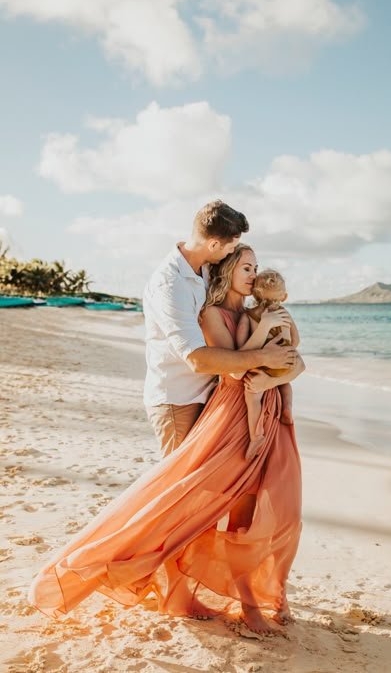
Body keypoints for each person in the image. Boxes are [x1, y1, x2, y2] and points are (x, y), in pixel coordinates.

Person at [29, 244, 304, 636]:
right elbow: (231, 369)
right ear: (227, 270)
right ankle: (218, 598)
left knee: (276, 508)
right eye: (246, 267)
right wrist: (266, 364)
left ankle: (265, 594)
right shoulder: (212, 313)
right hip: (230, 412)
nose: (254, 274)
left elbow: (292, 359)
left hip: (263, 413)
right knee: (188, 503)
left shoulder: (251, 312)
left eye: (256, 268)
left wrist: (276, 375)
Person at [143, 200, 296, 458]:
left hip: (211, 394)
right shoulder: (170, 286)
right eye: (231, 248)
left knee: (205, 484)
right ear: (213, 244)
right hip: (178, 398)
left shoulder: (207, 268)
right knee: (179, 484)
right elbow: (196, 359)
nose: (230, 254)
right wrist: (263, 357)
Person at [234, 269, 299, 461]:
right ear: (284, 296)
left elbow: (242, 348)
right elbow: (296, 340)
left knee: (253, 399)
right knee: (285, 384)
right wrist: (286, 349)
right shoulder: (285, 313)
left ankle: (256, 436)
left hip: (262, 363)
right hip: (286, 361)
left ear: (253, 293)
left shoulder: (249, 316)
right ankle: (287, 408)